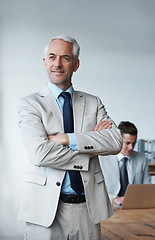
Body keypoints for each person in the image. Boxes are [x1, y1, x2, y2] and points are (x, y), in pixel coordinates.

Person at [18, 35, 122, 240]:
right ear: (45, 62)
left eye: (65, 57)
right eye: (52, 57)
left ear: (76, 64)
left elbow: (115, 141)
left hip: (88, 209)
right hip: (46, 210)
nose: (57, 63)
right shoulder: (30, 104)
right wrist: (89, 149)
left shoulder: (93, 102)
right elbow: (40, 154)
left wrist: (66, 139)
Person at [99, 121, 151, 208]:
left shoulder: (142, 159)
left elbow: (147, 188)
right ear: (118, 140)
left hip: (135, 207)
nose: (131, 147)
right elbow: (95, 190)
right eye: (127, 143)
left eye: (134, 143)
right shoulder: (102, 158)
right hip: (109, 207)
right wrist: (113, 199)